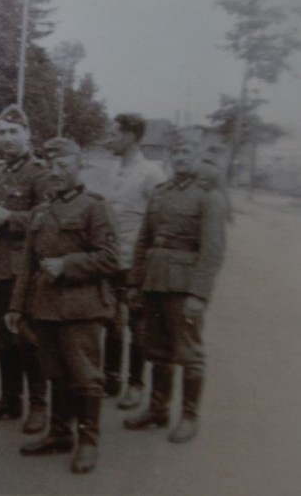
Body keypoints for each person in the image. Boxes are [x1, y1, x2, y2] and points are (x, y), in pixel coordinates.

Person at [6, 137, 118, 475]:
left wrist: (67, 265)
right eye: (51, 166)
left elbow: (110, 258)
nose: (55, 173)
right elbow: (27, 263)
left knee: (85, 377)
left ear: (78, 168)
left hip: (81, 309)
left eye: (63, 166)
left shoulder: (94, 207)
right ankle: (59, 433)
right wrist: (16, 307)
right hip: (45, 308)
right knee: (55, 372)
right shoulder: (41, 211)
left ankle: (88, 441)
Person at [123, 138, 227, 444]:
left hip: (184, 288)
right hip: (154, 282)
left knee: (189, 353)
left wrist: (199, 295)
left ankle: (189, 416)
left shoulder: (209, 197)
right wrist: (135, 283)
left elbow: (212, 252)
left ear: (198, 155)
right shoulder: (161, 193)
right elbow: (144, 242)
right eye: (176, 151)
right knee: (157, 350)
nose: (180, 157)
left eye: (187, 152)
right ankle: (157, 410)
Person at [0, 104, 49, 434]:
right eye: (2, 133)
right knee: (0, 335)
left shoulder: (40, 173)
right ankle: (10, 398)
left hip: (23, 268)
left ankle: (38, 404)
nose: (6, 138)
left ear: (28, 134)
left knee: (26, 337)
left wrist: (11, 218)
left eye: (13, 132)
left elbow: (48, 219)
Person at [102, 114, 167, 409]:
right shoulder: (115, 168)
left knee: (137, 326)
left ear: (130, 136)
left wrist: (147, 265)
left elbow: (160, 222)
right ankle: (111, 378)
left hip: (136, 264)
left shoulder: (151, 174)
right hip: (112, 260)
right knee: (112, 322)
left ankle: (136, 384)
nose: (109, 138)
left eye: (114, 133)